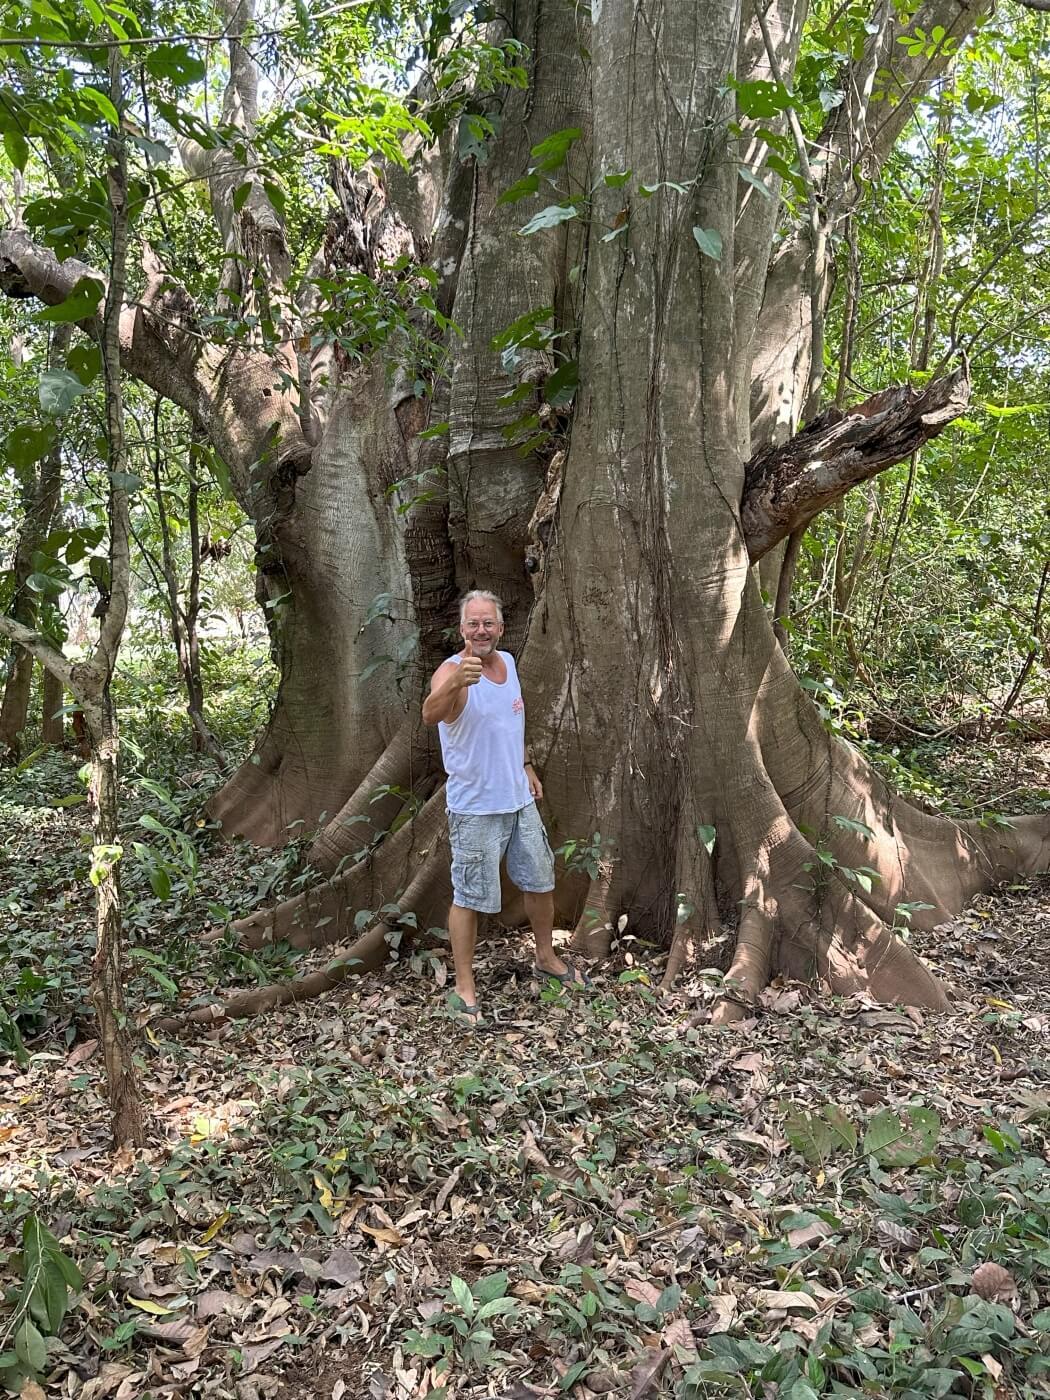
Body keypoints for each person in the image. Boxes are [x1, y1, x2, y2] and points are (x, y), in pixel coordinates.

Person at [421, 589, 589, 1025]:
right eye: (473, 624)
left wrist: (527, 764)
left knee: (540, 881)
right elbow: (429, 714)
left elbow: (512, 722)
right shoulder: (452, 672)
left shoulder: (508, 663)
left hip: (518, 800)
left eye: (488, 623)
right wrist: (457, 681)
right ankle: (464, 984)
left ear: (499, 627)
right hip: (476, 809)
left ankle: (546, 957)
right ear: (462, 629)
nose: (481, 631)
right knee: (470, 898)